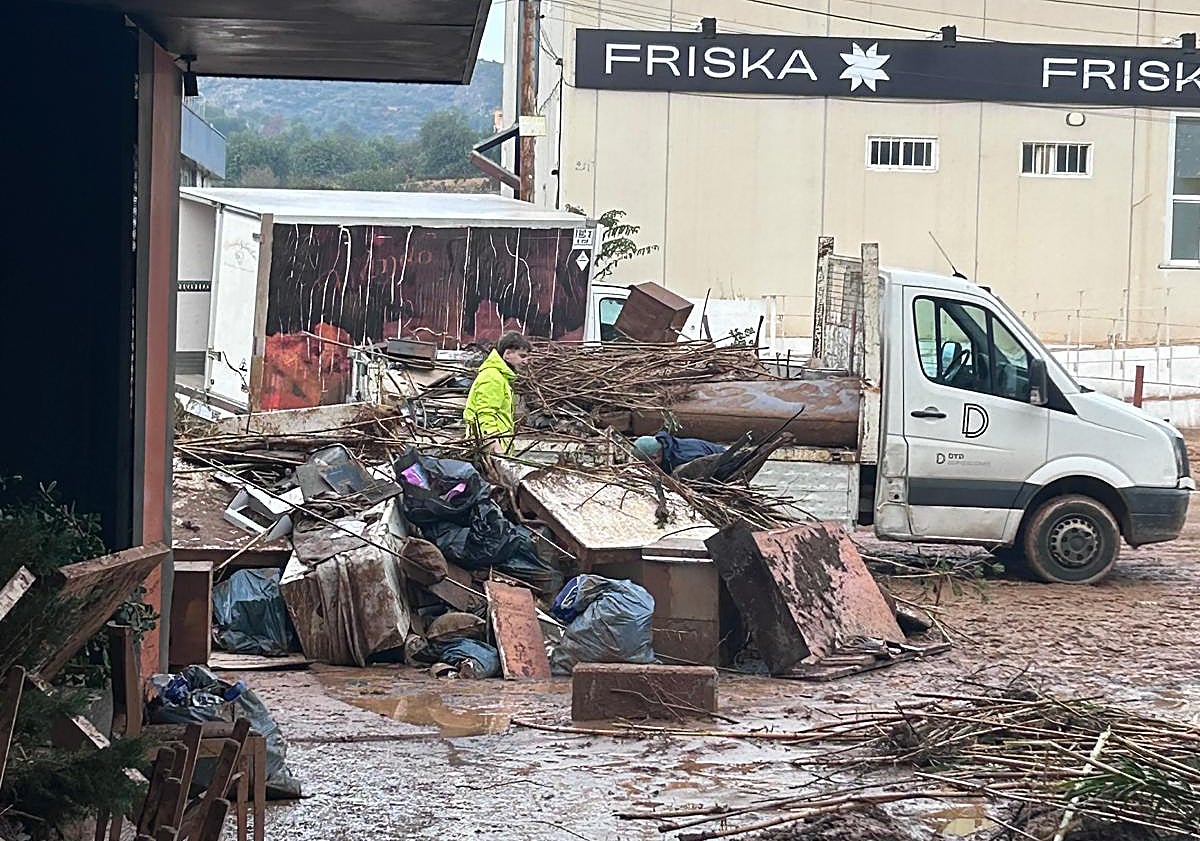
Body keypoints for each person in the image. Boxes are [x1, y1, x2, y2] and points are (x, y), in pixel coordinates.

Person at [463, 331, 531, 453]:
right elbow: (484, 415)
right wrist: (495, 448)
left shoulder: (500, 377)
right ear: (507, 354)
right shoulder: (493, 377)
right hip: (490, 452)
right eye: (522, 356)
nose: (526, 361)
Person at [633, 431, 726, 474]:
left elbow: (706, 466)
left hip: (725, 461)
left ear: (654, 457)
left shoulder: (682, 457)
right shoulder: (668, 446)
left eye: (649, 465)